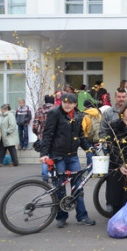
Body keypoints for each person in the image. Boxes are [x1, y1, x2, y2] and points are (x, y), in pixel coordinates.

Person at [39, 93, 95, 228]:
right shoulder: (54, 113)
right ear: (61, 102)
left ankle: (82, 216)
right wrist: (44, 153)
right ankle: (61, 217)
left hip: (73, 156)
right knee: (60, 187)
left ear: (75, 104)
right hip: (58, 156)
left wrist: (89, 149)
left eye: (70, 102)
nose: (67, 104)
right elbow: (48, 134)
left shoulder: (78, 115)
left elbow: (80, 135)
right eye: (65, 102)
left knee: (78, 187)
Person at [33, 95, 55, 181]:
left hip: (43, 137)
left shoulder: (39, 110)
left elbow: (35, 126)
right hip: (55, 137)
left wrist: (38, 133)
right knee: (54, 157)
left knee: (44, 157)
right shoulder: (57, 109)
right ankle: (54, 176)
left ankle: (45, 178)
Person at [81, 99, 102, 167]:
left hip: (87, 137)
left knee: (89, 153)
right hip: (96, 136)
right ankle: (98, 170)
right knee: (96, 152)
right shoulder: (98, 113)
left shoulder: (85, 115)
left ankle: (91, 171)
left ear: (85, 106)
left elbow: (83, 128)